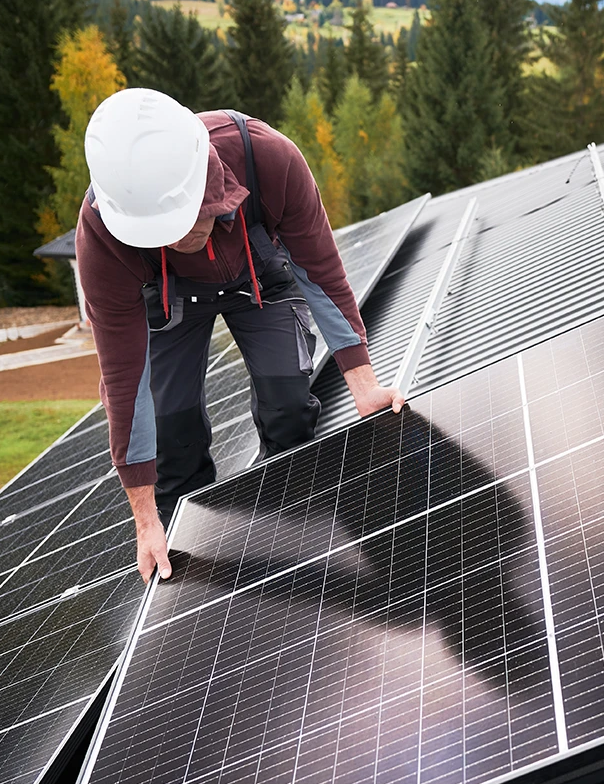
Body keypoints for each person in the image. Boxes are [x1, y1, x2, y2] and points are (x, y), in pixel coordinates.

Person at [76, 88, 404, 584]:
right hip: (169, 299)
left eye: (187, 218)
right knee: (172, 435)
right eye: (161, 230)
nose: (179, 237)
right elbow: (124, 377)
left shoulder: (267, 157)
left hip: (261, 281)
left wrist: (363, 384)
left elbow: (321, 273)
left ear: (207, 179)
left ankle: (296, 536)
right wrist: (145, 519)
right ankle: (194, 567)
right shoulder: (103, 234)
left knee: (288, 407)